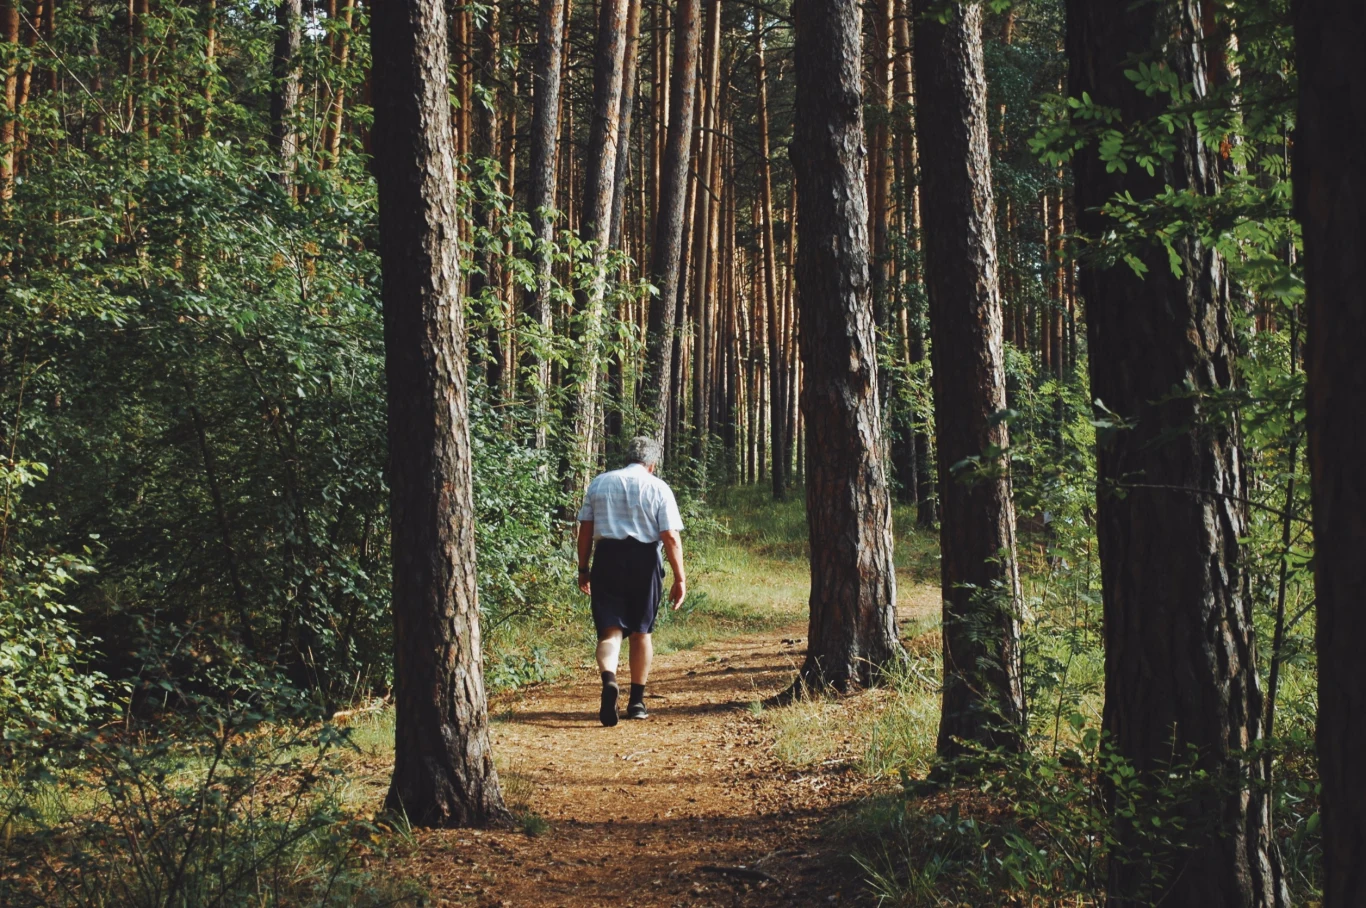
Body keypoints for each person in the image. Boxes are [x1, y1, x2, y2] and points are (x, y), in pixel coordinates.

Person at [576, 436, 687, 726]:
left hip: (607, 558)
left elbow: (585, 530)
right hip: (645, 560)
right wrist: (680, 577)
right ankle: (636, 702)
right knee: (641, 631)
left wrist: (583, 568)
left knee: (610, 631)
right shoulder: (658, 487)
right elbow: (670, 536)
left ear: (627, 457)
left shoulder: (600, 483)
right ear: (652, 464)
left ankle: (610, 680)